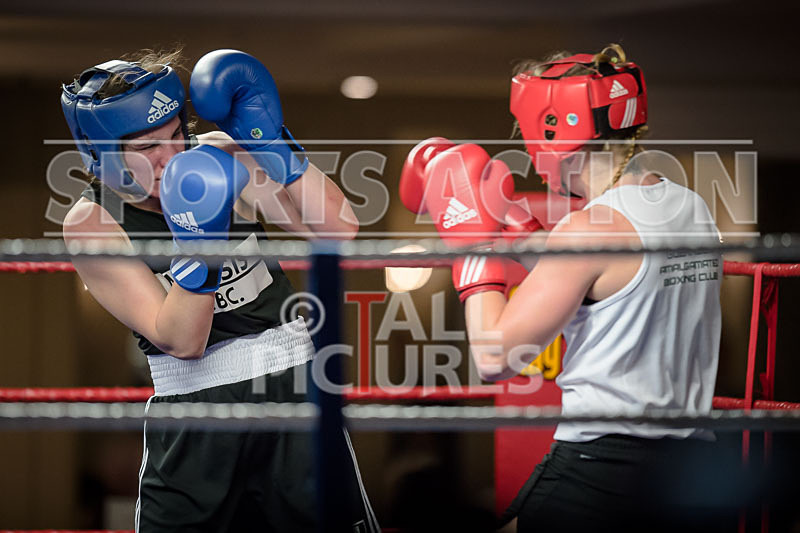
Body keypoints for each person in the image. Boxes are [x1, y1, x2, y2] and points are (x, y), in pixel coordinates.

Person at [401, 44, 736, 531]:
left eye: (527, 131)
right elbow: (605, 282)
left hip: (601, 466)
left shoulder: (589, 231)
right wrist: (513, 225)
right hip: (685, 466)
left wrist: (473, 246)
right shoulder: (691, 208)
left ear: (555, 129)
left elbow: (495, 357)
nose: (526, 146)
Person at [60, 47, 379, 532]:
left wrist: (270, 142)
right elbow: (183, 340)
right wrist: (201, 239)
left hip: (292, 389)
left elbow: (339, 229)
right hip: (195, 415)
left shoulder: (217, 155)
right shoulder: (93, 223)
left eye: (176, 135)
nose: (172, 157)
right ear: (104, 155)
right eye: (148, 147)